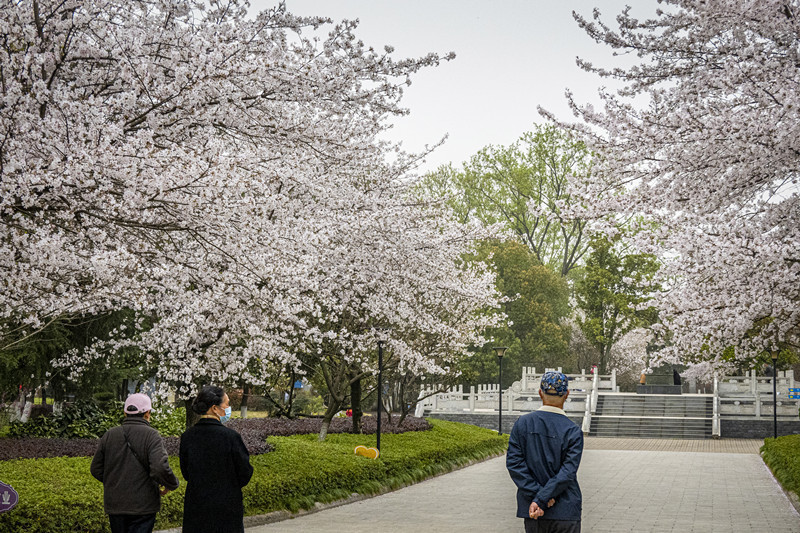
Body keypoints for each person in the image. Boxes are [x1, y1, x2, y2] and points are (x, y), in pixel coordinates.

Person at [90, 393, 179, 533]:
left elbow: (96, 468)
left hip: (116, 504)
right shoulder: (151, 435)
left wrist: (115, 482)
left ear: (125, 413)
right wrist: (171, 484)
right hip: (143, 505)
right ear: (147, 413)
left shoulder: (110, 434)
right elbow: (159, 467)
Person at [507, 371, 583, 533]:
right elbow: (567, 472)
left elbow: (514, 464)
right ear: (567, 394)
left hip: (533, 509)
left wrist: (538, 496)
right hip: (565, 509)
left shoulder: (523, 424)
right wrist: (543, 498)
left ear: (540, 393)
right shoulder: (572, 430)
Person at [180, 385, 254, 533]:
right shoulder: (231, 437)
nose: (228, 408)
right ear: (214, 408)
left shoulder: (188, 436)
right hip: (226, 505)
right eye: (226, 404)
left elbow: (185, 472)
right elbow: (245, 471)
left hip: (196, 504)